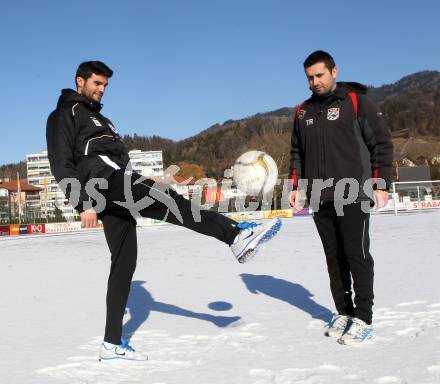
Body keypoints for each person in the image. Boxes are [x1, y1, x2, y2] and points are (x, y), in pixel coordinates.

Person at [46, 61, 281, 361]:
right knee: (171, 201)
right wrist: (82, 203)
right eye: (96, 84)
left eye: (105, 85)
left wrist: (146, 180)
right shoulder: (64, 114)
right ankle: (234, 235)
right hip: (102, 185)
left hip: (116, 184)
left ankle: (111, 344)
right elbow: (60, 162)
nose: (102, 90)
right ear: (80, 81)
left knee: (124, 262)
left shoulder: (102, 120)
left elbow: (119, 163)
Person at [289, 51, 393, 344]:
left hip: (354, 192)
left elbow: (382, 143)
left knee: (356, 255)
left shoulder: (356, 102)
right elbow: (296, 153)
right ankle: (344, 313)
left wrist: (381, 182)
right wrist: (295, 186)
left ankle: (364, 319)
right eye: (309, 77)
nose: (314, 82)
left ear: (334, 71)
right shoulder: (302, 112)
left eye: (319, 75)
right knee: (333, 259)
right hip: (320, 197)